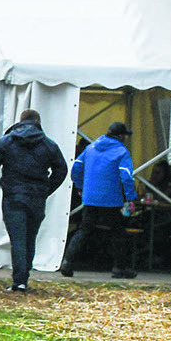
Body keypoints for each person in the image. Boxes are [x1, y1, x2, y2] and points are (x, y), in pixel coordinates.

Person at [0, 108, 68, 292]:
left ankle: (19, 281)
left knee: (18, 239)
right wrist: (46, 189)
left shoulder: (6, 141)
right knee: (30, 238)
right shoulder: (49, 145)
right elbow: (62, 170)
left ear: (20, 121)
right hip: (37, 197)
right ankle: (23, 278)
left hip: (14, 196)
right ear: (38, 122)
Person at [61, 120, 137, 279]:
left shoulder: (90, 148)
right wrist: (131, 197)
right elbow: (127, 176)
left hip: (90, 198)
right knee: (117, 232)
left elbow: (76, 168)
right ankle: (119, 268)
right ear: (121, 136)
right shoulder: (121, 151)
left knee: (84, 230)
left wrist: (81, 186)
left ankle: (67, 262)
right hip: (111, 199)